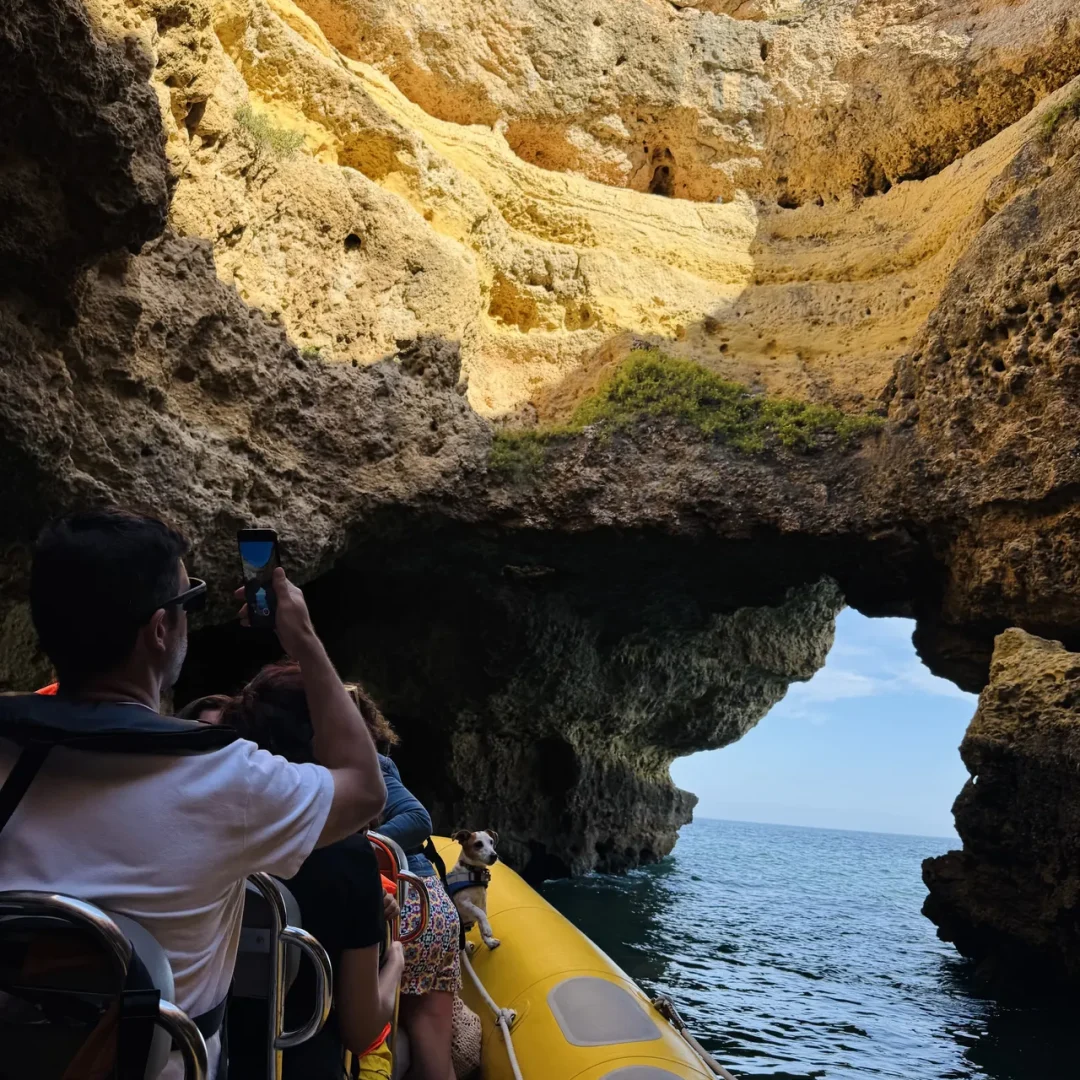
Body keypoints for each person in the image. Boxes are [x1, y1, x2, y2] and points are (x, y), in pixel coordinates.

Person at [0, 508, 386, 1080]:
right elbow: (363, 788)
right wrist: (302, 639)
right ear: (160, 629)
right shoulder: (226, 779)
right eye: (190, 603)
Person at [226, 663, 406, 1080]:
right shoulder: (349, 857)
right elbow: (361, 1031)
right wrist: (395, 958)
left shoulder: (207, 829)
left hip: (209, 1058)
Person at [346, 683, 462, 1080]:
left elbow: (417, 818)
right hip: (434, 909)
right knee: (430, 1037)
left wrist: (355, 850)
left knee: (384, 1036)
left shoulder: (368, 764)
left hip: (408, 908)